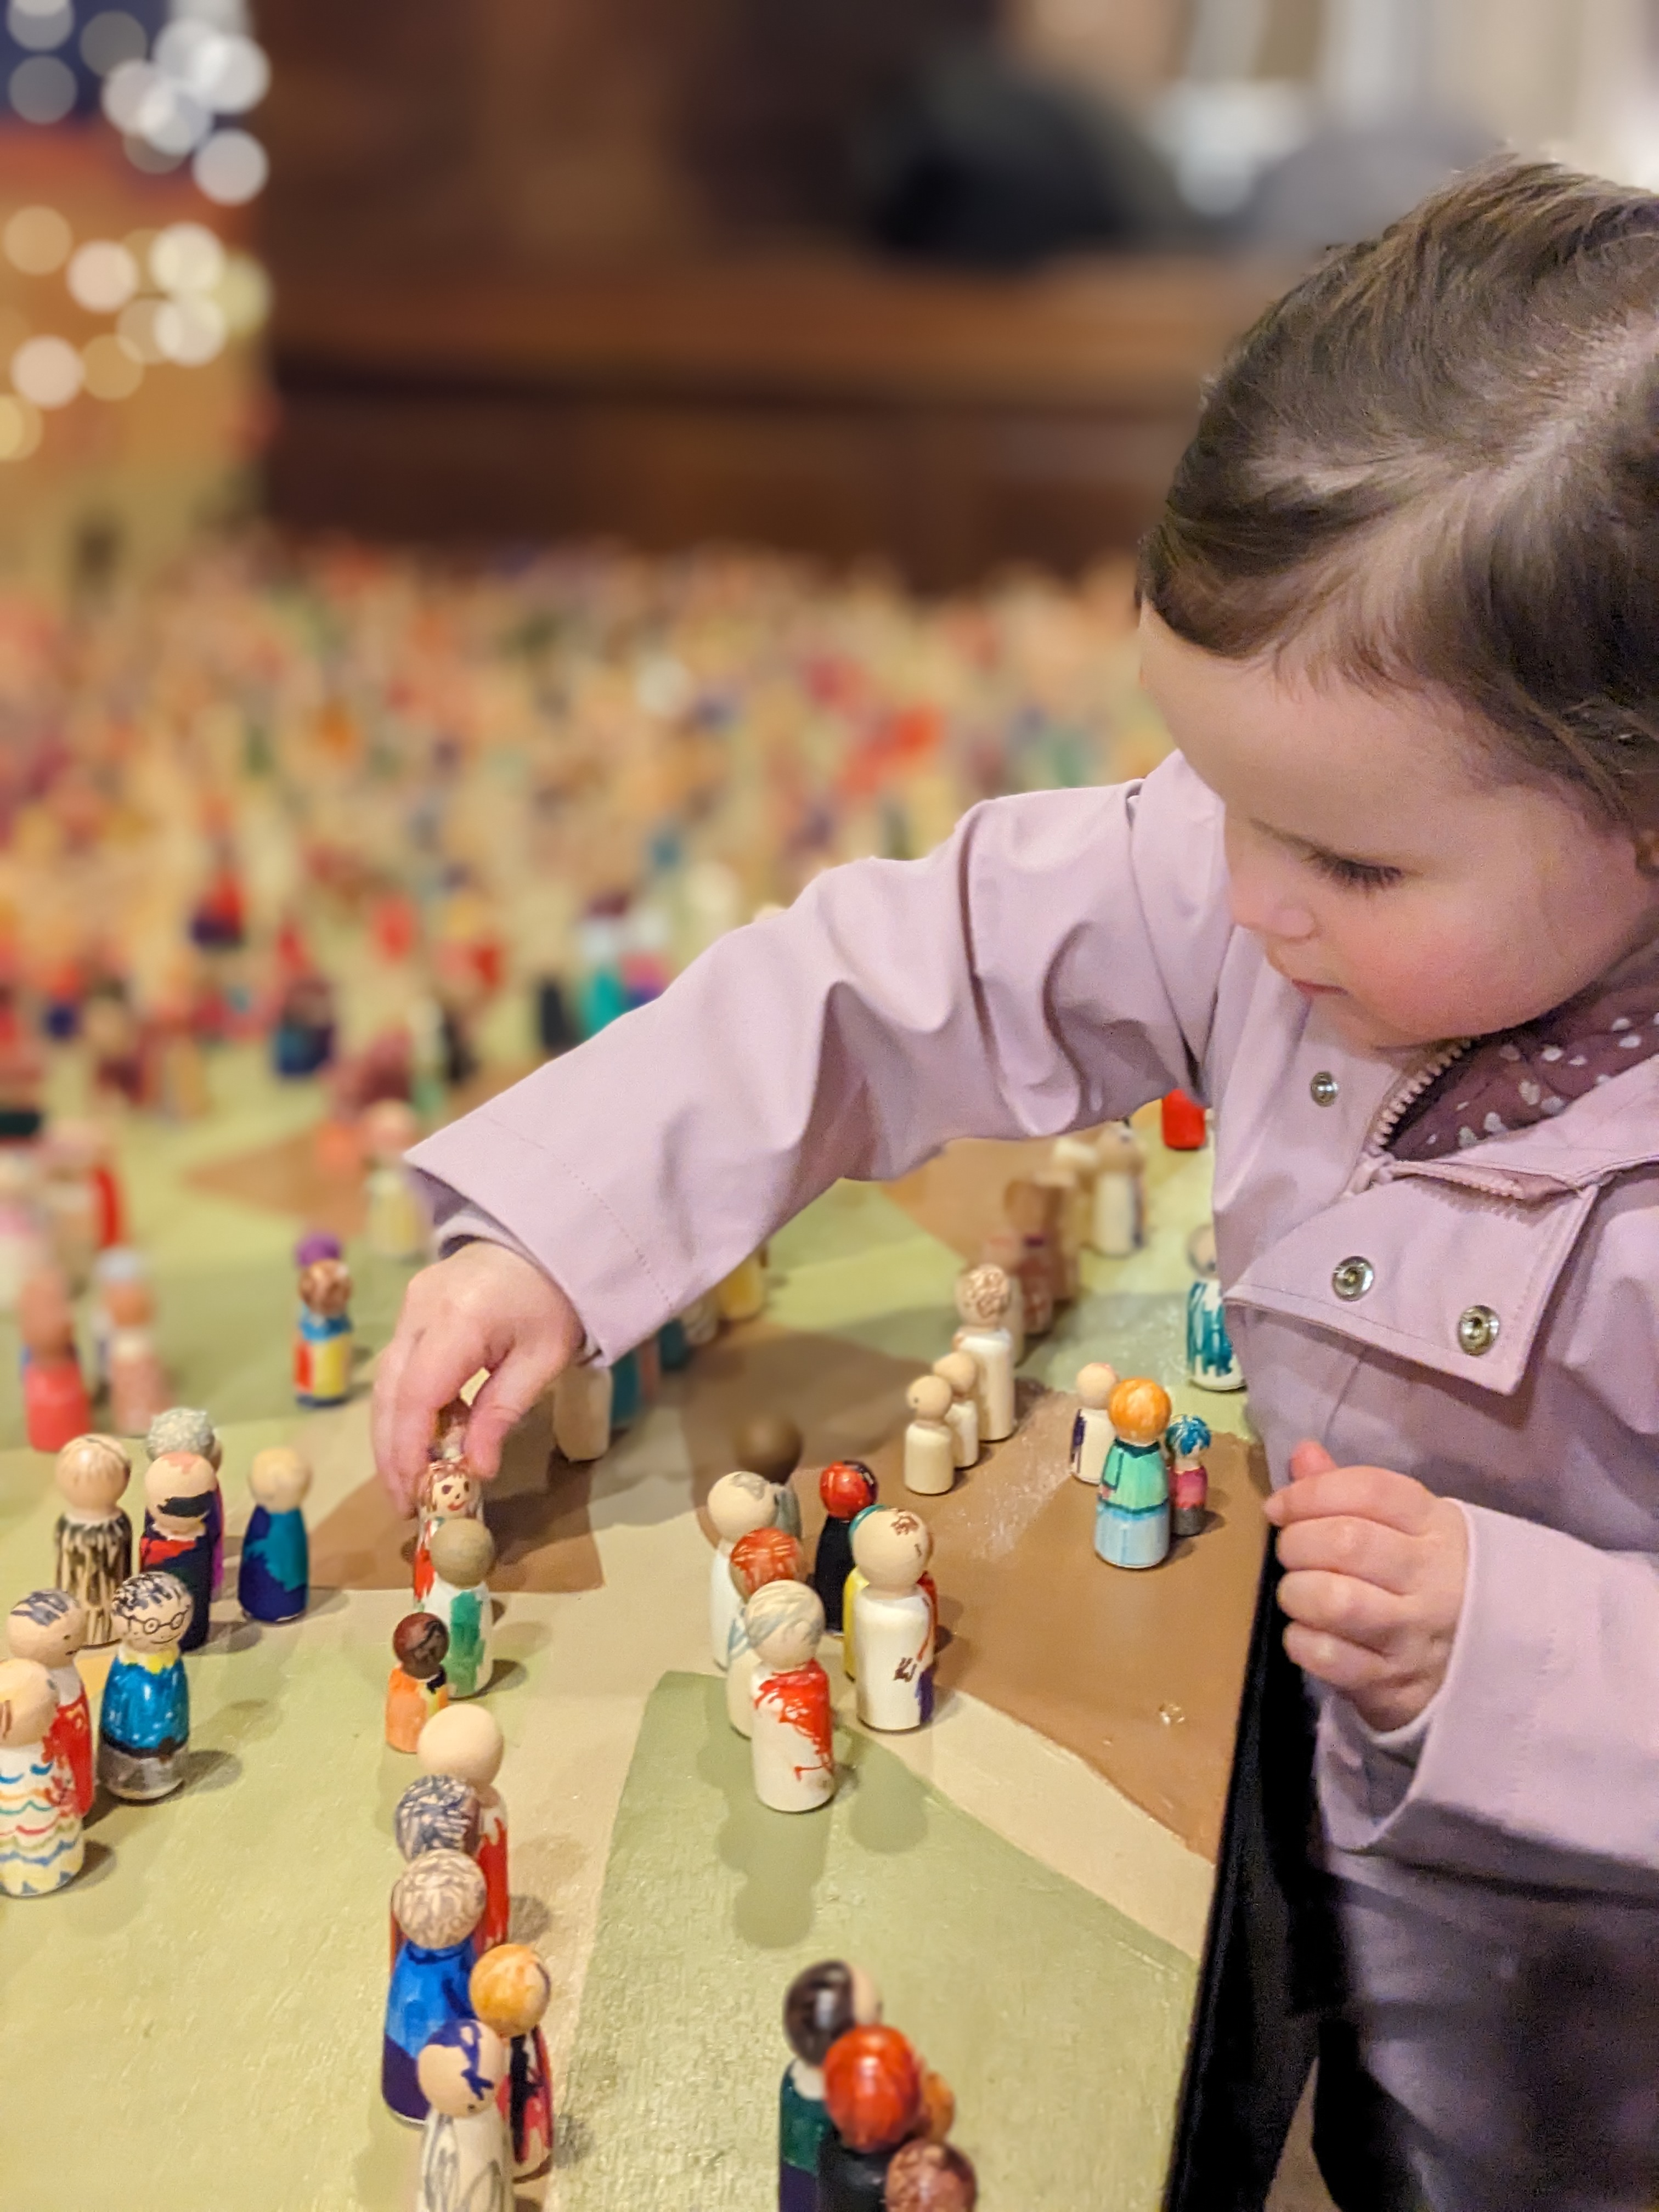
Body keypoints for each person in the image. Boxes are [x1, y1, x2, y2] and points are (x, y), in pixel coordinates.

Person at [373, 160, 1659, 2212]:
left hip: (1603, 1956)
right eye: (1223, 800)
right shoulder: (1280, 867)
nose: (1247, 903)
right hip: (1312, 1804)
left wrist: (1520, 1648)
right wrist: (564, 1216)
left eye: (1353, 864)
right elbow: (896, 971)